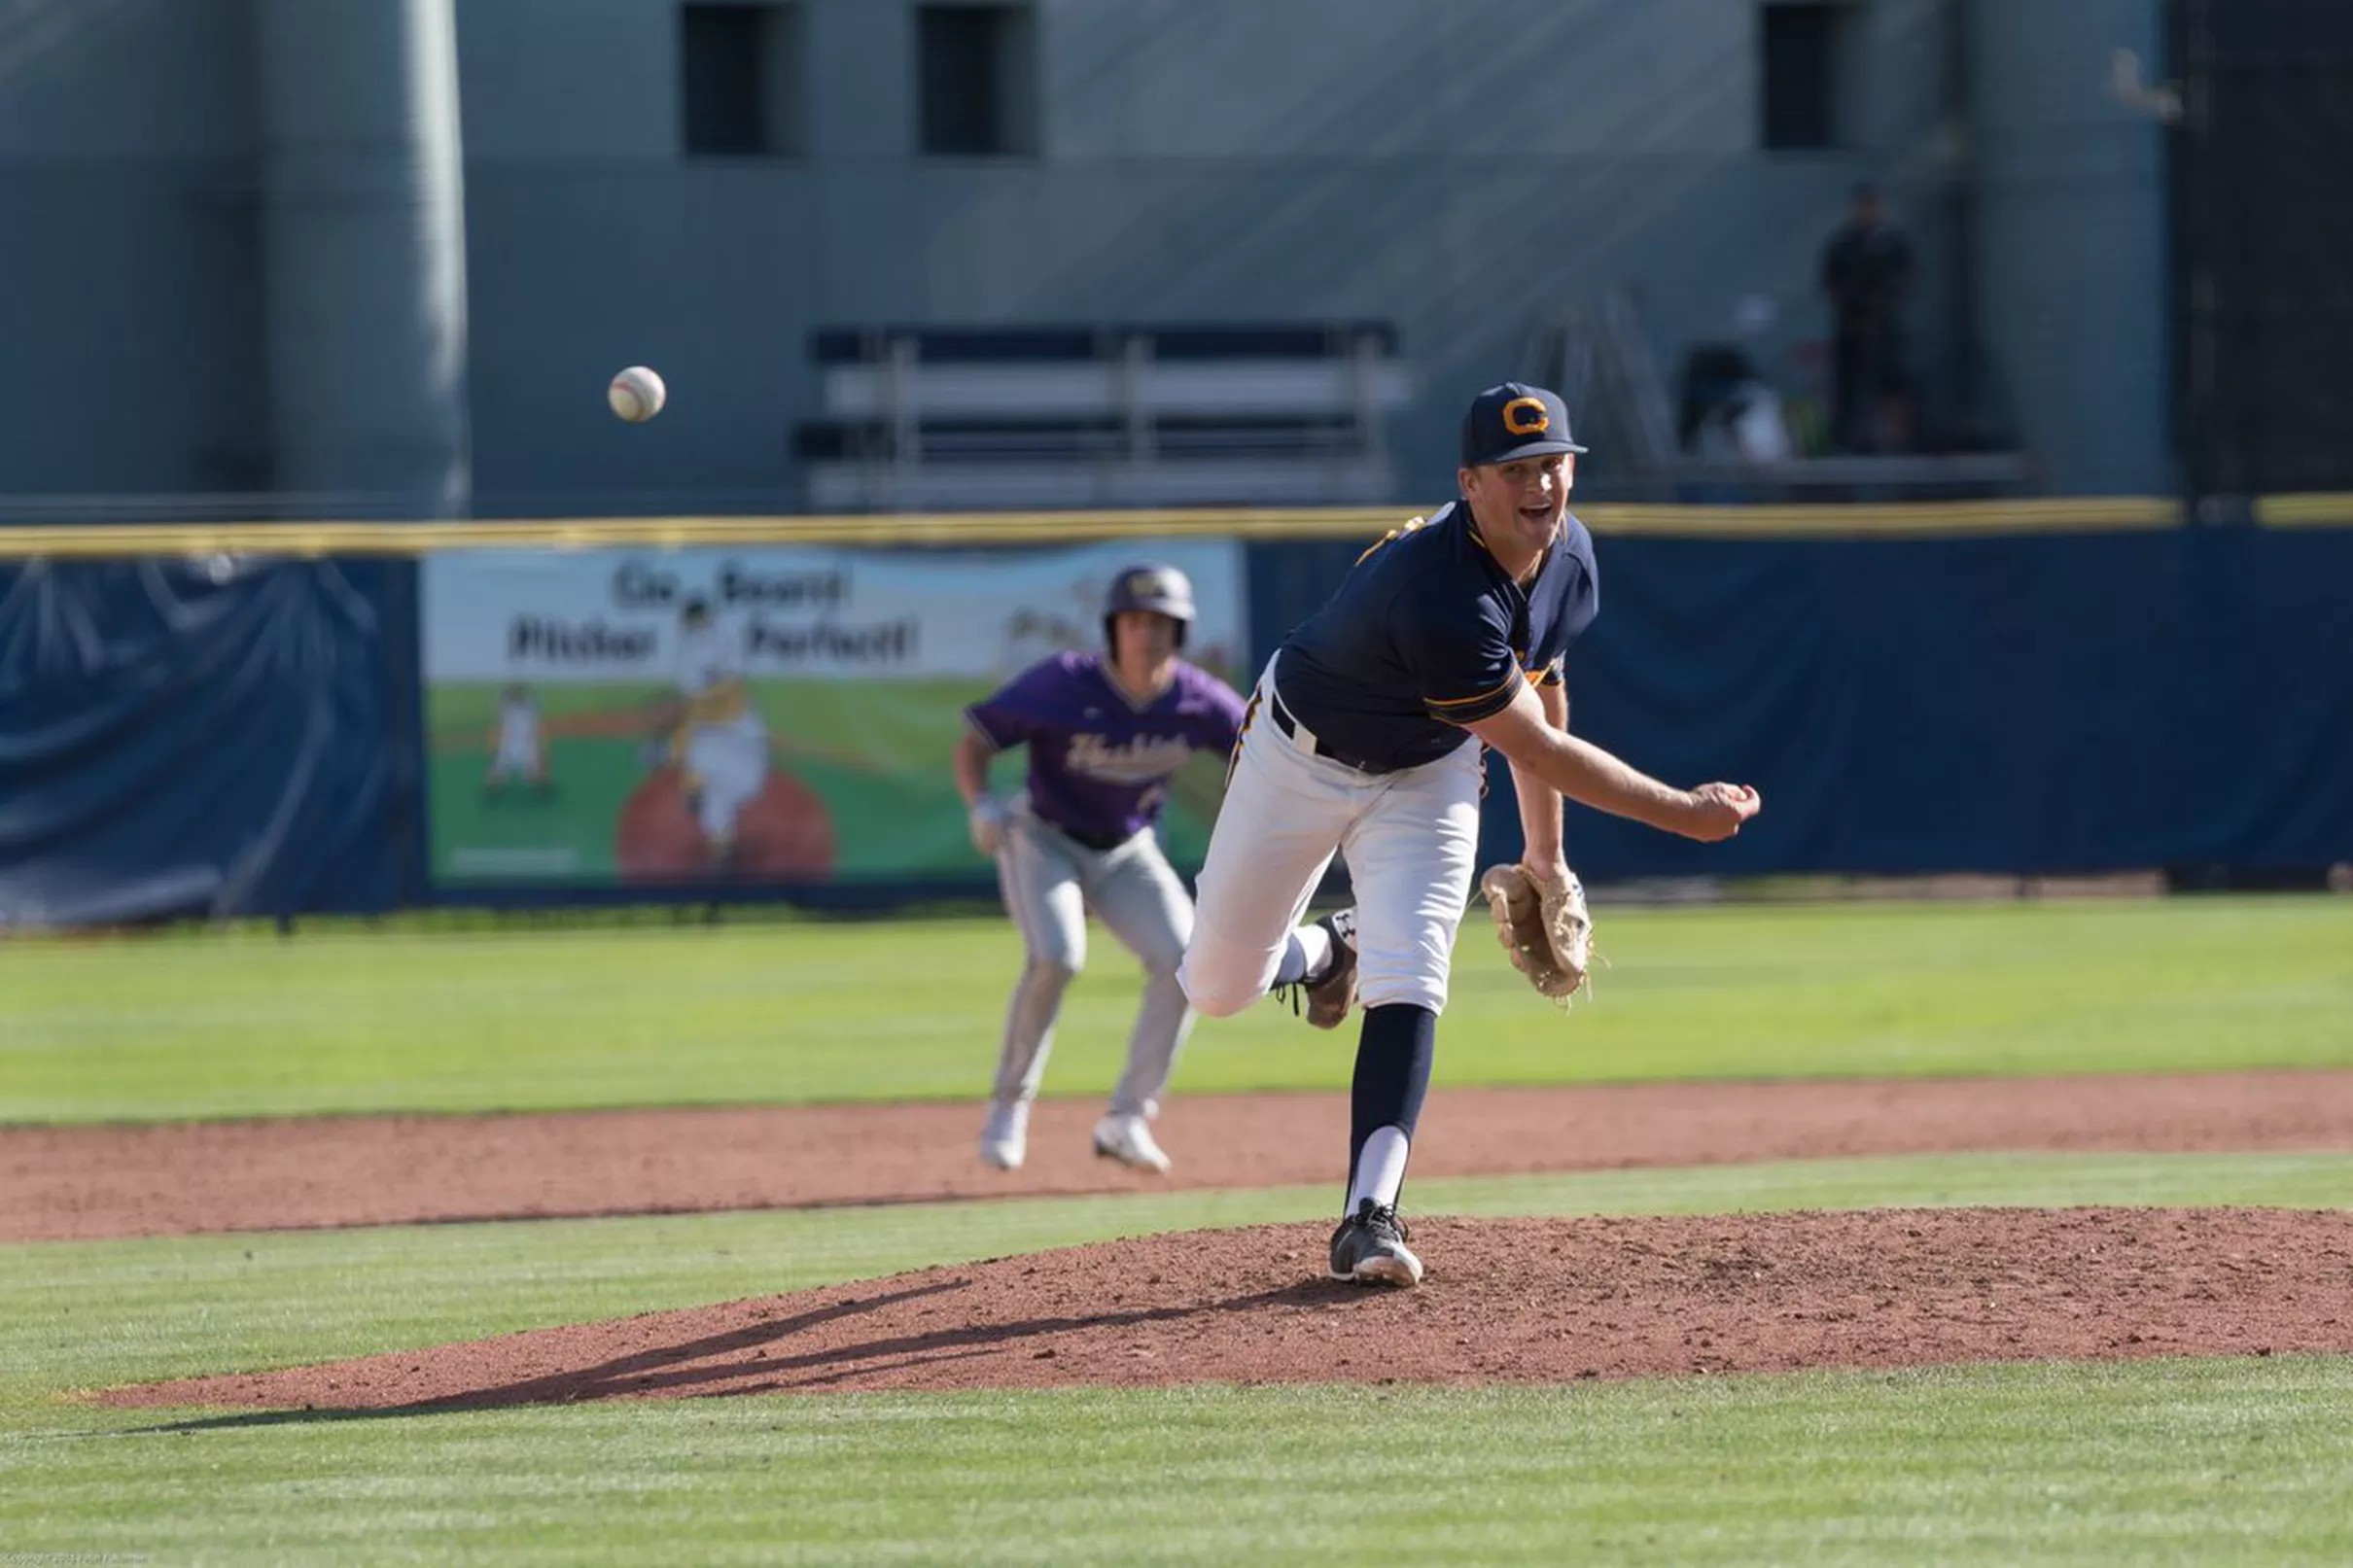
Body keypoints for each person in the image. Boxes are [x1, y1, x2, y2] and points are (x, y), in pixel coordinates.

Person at [1176, 382, 1762, 1287]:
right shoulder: (1442, 591)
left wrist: (1547, 854)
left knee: (1413, 968)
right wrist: (1683, 812)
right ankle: (1328, 953)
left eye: (1554, 464)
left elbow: (1544, 694)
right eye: (1516, 469)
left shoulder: (1570, 556)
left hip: (1432, 770)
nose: (1542, 485)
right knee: (1217, 986)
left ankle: (1369, 1216)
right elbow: (1534, 743)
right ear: (1469, 483)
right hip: (1300, 756)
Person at [955, 565, 1247, 1175]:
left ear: (1181, 631)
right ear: (1113, 628)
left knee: (1184, 962)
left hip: (1126, 849)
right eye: (1135, 621)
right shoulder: (1065, 682)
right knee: (1059, 957)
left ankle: (1127, 1119)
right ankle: (1009, 1106)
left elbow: (1263, 750)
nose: (1147, 634)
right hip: (1043, 838)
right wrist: (980, 803)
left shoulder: (1195, 698)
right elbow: (977, 736)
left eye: (1162, 622)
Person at [653, 595, 769, 870]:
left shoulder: (711, 647)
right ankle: (723, 862)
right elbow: (716, 698)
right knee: (714, 808)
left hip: (744, 754)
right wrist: (691, 788)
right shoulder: (700, 651)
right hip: (738, 769)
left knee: (693, 745)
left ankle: (686, 781)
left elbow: (730, 697)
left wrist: (672, 755)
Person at [1819, 182, 1916, 453]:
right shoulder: (1843, 244)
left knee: (1894, 383)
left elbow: (1906, 280)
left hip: (1886, 325)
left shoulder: (1893, 244)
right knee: (1848, 385)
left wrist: (1882, 301)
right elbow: (1830, 284)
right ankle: (1848, 441)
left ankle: (1897, 442)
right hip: (1852, 326)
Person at [483, 682, 549, 795]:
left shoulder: (520, 709)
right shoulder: (520, 709)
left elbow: (498, 704)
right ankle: (493, 789)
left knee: (535, 773)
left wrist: (505, 689)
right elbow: (497, 705)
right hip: (513, 746)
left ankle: (540, 788)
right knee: (497, 774)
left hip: (523, 747)